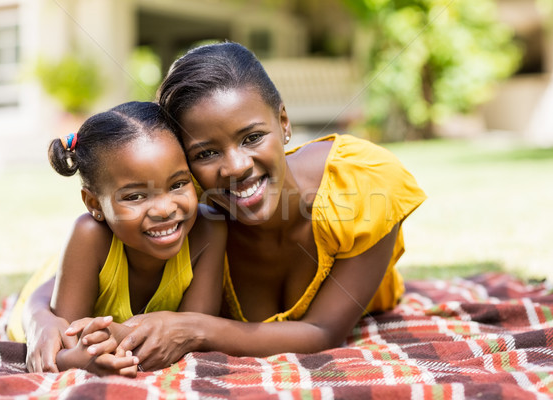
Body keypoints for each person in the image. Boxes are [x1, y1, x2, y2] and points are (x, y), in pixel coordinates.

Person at [24, 42, 426, 373]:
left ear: (284, 122)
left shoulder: (362, 183)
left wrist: (193, 328)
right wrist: (39, 315)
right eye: (207, 152)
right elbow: (83, 262)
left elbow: (323, 332)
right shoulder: (189, 202)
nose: (235, 167)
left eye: (252, 137)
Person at [6, 101, 226, 375]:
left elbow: (194, 329)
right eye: (135, 196)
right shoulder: (89, 236)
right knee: (40, 292)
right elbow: (65, 346)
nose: (165, 209)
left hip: (64, 278)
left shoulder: (208, 230)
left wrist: (117, 334)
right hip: (46, 291)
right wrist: (79, 357)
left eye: (178, 184)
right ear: (94, 204)